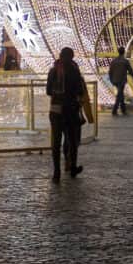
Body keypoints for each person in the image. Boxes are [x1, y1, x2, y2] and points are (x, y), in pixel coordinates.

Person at [46, 47, 86, 181]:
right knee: (72, 140)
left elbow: (48, 91)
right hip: (70, 109)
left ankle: (56, 172)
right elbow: (80, 90)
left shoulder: (53, 71)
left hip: (56, 109)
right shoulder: (75, 70)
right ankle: (72, 167)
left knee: (56, 142)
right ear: (72, 57)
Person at [107, 47, 133, 116]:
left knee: (120, 94)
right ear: (124, 52)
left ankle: (123, 109)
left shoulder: (114, 61)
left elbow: (110, 72)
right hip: (121, 80)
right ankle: (115, 110)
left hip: (115, 80)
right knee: (119, 95)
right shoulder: (125, 61)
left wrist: (111, 80)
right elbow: (130, 71)